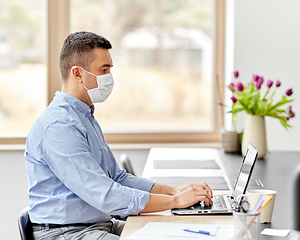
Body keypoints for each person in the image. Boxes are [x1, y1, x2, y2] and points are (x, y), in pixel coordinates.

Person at [24, 31, 213, 240]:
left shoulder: (84, 116)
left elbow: (117, 178)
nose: (109, 78)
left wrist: (173, 191)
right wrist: (175, 201)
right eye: (103, 70)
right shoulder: (60, 126)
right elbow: (105, 195)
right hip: (68, 233)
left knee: (178, 234)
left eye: (109, 70)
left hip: (99, 225)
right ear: (77, 74)